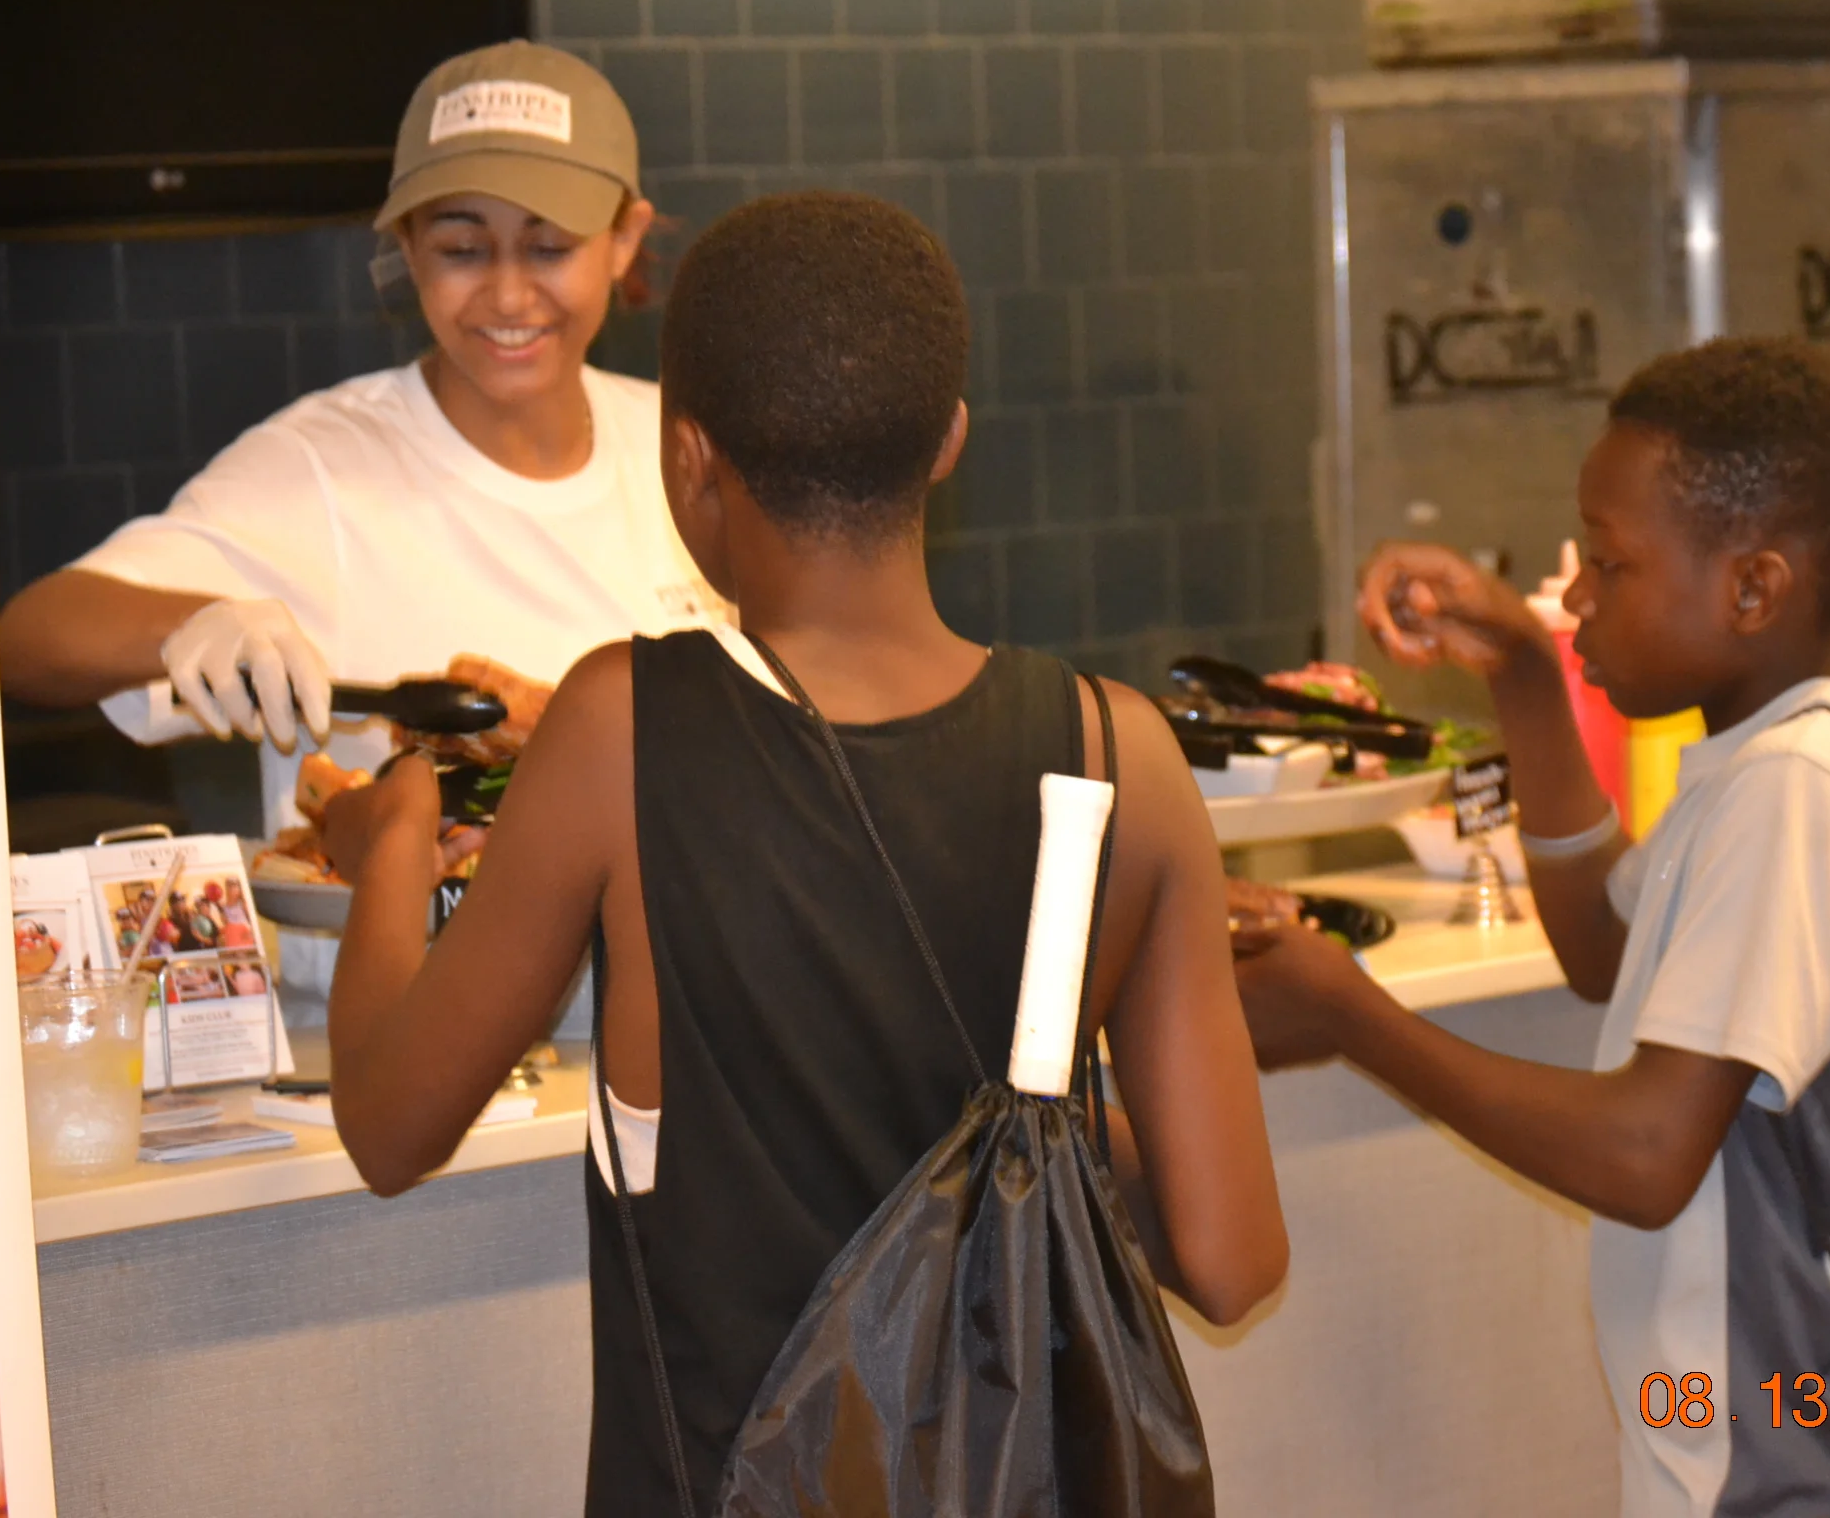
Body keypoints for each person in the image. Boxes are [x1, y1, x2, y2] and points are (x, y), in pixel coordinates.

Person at [314, 192, 1289, 1511]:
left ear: (684, 455)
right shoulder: (1119, 756)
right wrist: (1032, 1113)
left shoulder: (621, 725)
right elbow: (1230, 1261)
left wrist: (389, 843)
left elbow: (388, 1125)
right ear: (949, 443)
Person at [1238, 339, 1830, 1517]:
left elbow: (1647, 1154)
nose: (1576, 599)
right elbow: (1608, 953)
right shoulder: (1784, 746)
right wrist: (1522, 675)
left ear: (1752, 588)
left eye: (1608, 565)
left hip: (1796, 1473)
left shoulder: (1793, 792)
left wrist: (1353, 1017)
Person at [0, 39, 729, 843]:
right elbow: (30, 639)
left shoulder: (687, 448)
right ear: (409, 247)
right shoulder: (324, 467)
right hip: (393, 967)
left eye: (550, 247)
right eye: (461, 248)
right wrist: (200, 621)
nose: (510, 293)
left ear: (625, 239)